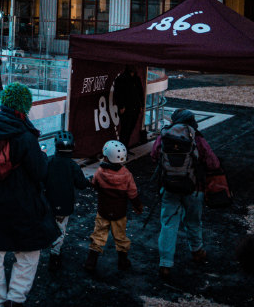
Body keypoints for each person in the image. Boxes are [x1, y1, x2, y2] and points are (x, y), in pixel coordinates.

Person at [0, 83, 58, 307]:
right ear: (24, 107)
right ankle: (16, 299)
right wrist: (43, 157)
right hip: (23, 203)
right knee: (27, 254)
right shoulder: (25, 135)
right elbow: (39, 172)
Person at [150, 108, 220, 280]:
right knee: (193, 221)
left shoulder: (165, 135)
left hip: (169, 187)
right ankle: (197, 251)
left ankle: (165, 264)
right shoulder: (196, 136)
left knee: (168, 224)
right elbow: (213, 163)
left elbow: (154, 155)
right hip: (194, 188)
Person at [84, 140, 144, 273]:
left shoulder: (100, 172)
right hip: (119, 212)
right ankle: (123, 261)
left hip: (103, 210)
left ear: (106, 156)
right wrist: (138, 206)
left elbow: (94, 185)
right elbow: (133, 193)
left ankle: (91, 262)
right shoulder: (127, 175)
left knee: (98, 236)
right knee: (121, 237)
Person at [44, 131, 89, 271]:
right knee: (60, 229)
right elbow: (81, 184)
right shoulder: (73, 165)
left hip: (48, 203)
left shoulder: (49, 162)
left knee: (47, 226)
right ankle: (55, 255)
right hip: (64, 205)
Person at [113, 65, 144, 147]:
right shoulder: (121, 79)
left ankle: (125, 146)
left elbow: (140, 92)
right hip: (126, 108)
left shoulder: (137, 79)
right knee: (125, 129)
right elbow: (118, 93)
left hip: (135, 107)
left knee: (131, 128)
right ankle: (122, 147)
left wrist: (141, 105)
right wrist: (121, 106)